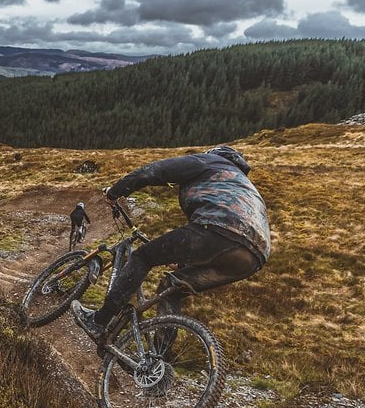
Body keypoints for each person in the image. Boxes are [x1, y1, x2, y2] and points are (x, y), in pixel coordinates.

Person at [71, 145, 271, 342]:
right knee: (172, 287)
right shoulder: (244, 184)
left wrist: (115, 192)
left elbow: (156, 171)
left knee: (143, 256)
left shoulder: (210, 161)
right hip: (254, 256)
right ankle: (160, 362)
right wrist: (184, 262)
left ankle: (99, 321)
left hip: (220, 229)